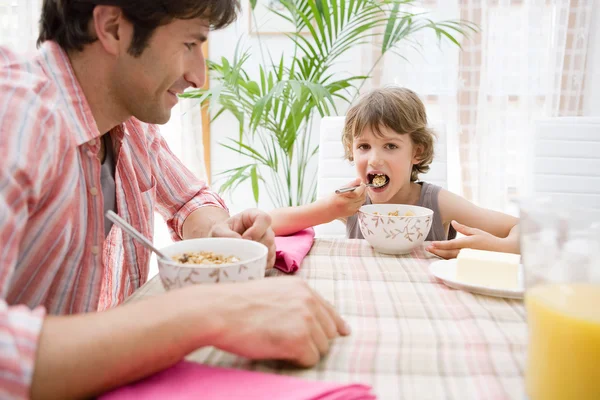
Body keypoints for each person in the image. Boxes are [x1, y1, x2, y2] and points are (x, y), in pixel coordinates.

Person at [0, 1, 349, 398]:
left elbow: (190, 200)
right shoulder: (16, 117)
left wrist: (220, 233)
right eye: (190, 43)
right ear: (113, 27)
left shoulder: (126, 121)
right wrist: (210, 312)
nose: (198, 76)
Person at [270, 87, 520, 258]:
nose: (374, 159)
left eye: (390, 146)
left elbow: (528, 229)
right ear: (351, 150)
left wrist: (503, 246)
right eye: (364, 146)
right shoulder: (351, 205)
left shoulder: (437, 203)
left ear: (417, 153)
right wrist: (327, 210)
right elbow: (268, 225)